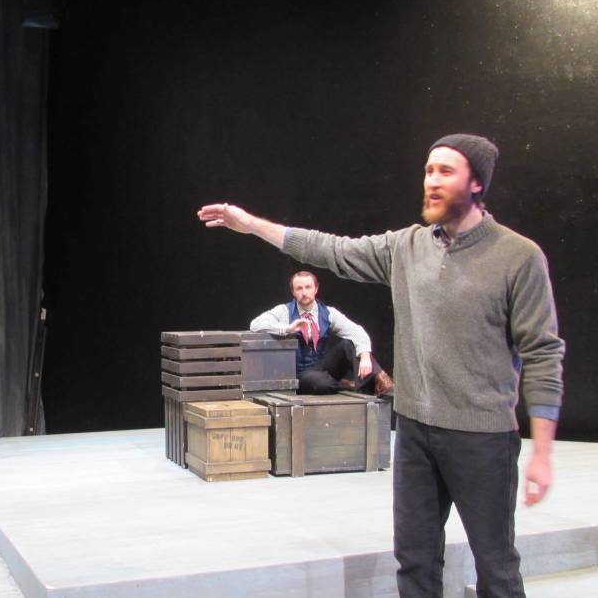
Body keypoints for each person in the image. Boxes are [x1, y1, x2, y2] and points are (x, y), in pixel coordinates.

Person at [197, 133, 564, 598]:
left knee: (496, 568)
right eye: (428, 170)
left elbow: (543, 353)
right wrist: (251, 225)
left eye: (445, 171)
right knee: (414, 562)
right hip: (414, 432)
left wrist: (544, 454)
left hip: (482, 437)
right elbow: (330, 249)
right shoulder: (406, 247)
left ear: (477, 184)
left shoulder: (518, 256)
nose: (431, 180)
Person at [250, 270, 394, 396]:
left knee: (348, 344)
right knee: (322, 384)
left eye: (308, 287)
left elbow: (356, 331)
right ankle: (346, 385)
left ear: (316, 289)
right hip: (300, 374)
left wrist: (365, 355)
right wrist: (287, 329)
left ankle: (381, 379)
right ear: (293, 292)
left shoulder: (328, 312)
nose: (304, 292)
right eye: (299, 288)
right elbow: (255, 324)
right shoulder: (284, 311)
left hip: (323, 367)